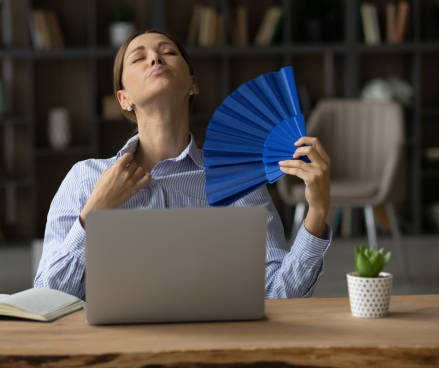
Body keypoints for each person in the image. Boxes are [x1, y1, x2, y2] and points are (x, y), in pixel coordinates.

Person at [34, 29, 333, 300]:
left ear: (193, 83)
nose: (155, 58)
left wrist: (317, 211)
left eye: (169, 52)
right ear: (124, 99)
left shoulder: (236, 183)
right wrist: (94, 214)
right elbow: (47, 295)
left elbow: (279, 295)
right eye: (139, 57)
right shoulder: (86, 178)